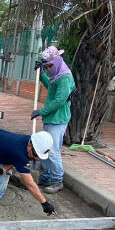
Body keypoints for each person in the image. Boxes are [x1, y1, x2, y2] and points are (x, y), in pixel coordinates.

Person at [31, 45, 75, 194]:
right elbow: (49, 85)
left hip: (58, 120)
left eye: (49, 66)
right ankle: (46, 176)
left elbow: (59, 101)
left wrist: (40, 112)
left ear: (56, 62)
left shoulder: (65, 77)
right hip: (50, 118)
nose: (49, 68)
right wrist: (40, 72)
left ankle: (57, 181)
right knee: (46, 148)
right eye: (46, 66)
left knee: (54, 151)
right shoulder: (56, 75)